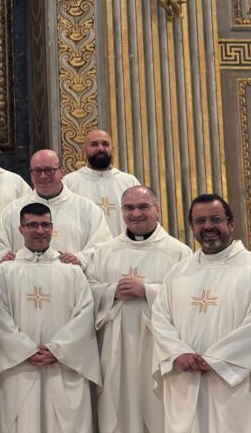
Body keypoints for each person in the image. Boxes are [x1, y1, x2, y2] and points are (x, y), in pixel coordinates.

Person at [151, 193, 251, 432]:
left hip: (237, 383)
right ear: (192, 227)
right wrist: (177, 352)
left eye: (215, 219)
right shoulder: (178, 272)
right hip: (188, 378)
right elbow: (160, 317)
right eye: (200, 221)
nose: (208, 227)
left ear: (231, 223)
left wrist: (219, 359)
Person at [84, 185, 191, 433]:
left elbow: (187, 294)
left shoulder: (178, 251)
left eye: (143, 207)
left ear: (157, 210)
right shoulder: (106, 251)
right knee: (118, 403)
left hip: (157, 344)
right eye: (129, 208)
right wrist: (111, 291)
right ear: (121, 211)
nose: (136, 213)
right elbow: (87, 290)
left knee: (157, 405)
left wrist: (148, 291)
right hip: (115, 344)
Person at [0, 203, 100, 433]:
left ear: (52, 228)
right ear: (20, 229)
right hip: (19, 367)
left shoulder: (71, 270)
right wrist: (25, 350)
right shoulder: (6, 271)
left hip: (63, 365)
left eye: (45, 225)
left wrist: (58, 349)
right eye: (32, 225)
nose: (39, 230)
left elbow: (84, 313)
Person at [0, 148, 112, 265]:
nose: (43, 176)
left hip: (71, 280)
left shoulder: (88, 209)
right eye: (37, 171)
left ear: (61, 172)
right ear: (31, 173)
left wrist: (80, 259)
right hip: (25, 280)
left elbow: (102, 246)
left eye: (49, 170)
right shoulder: (12, 210)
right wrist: (5, 255)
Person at [64, 129, 140, 236]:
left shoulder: (129, 182)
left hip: (122, 249)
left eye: (105, 144)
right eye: (94, 144)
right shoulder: (70, 182)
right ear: (84, 150)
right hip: (85, 251)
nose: (100, 148)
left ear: (112, 149)